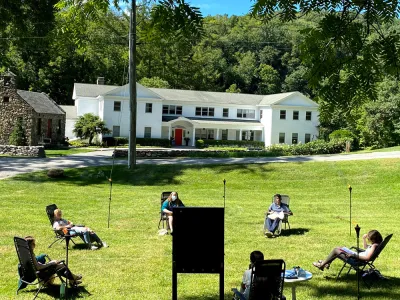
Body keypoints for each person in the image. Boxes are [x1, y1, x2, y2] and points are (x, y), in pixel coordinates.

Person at [312, 230, 383, 271]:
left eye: (369, 239)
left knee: (335, 250)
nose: (368, 240)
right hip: (357, 257)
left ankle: (322, 265)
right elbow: (366, 247)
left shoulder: (374, 246)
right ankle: (326, 263)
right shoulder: (377, 244)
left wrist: (353, 255)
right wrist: (364, 239)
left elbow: (367, 258)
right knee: (340, 247)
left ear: (374, 239)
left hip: (356, 260)